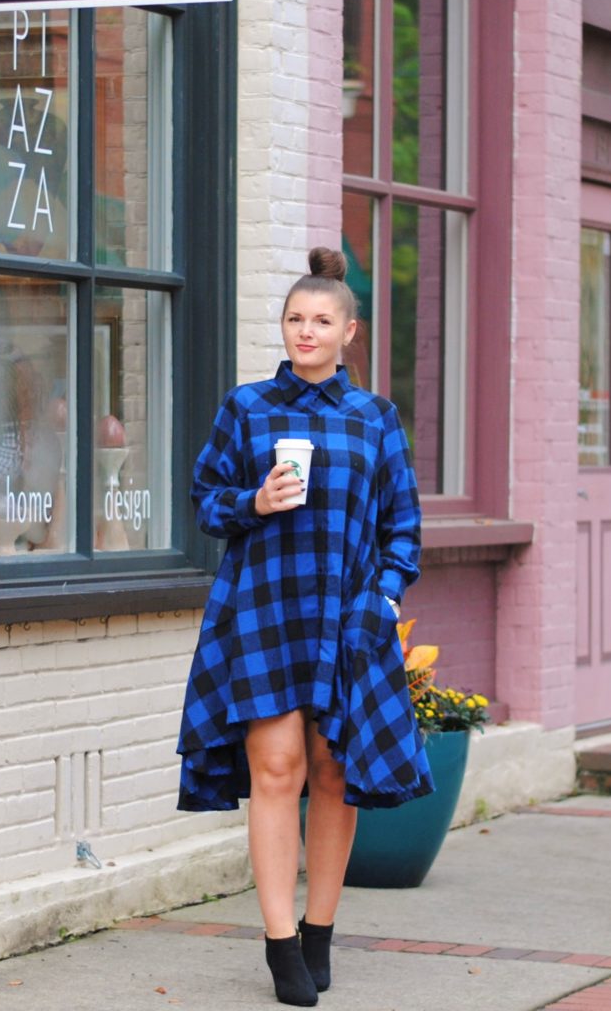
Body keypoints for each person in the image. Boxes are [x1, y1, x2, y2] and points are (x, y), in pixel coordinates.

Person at [177, 247, 433, 1006]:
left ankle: (320, 929)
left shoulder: (374, 418)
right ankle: (281, 943)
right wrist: (253, 502)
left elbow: (403, 528)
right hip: (262, 614)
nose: (306, 331)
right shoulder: (248, 408)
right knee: (277, 770)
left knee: (332, 773)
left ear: (350, 332)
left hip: (348, 623)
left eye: (322, 320)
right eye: (295, 318)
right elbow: (204, 500)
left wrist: (381, 600)